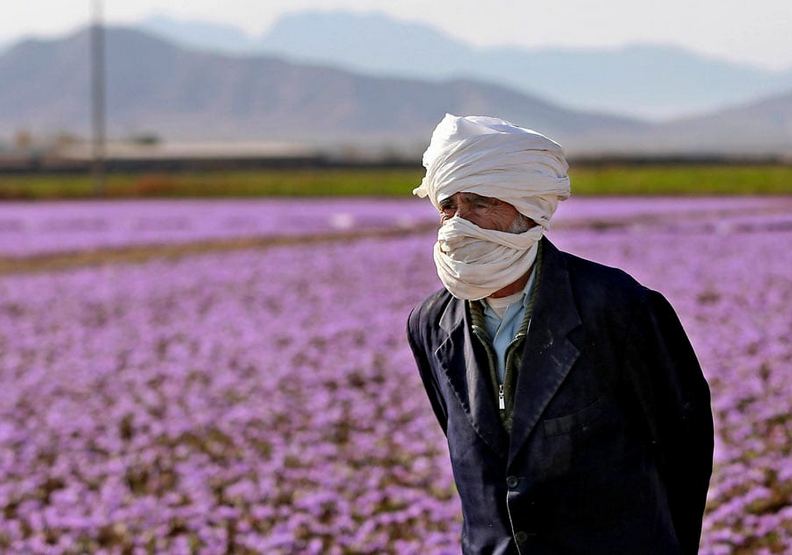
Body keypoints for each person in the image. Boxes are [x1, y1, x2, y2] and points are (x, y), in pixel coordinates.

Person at [406, 114, 714, 554]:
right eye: (448, 206)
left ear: (528, 209)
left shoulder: (617, 307)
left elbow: (683, 446)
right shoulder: (431, 324)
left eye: (479, 203)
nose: (458, 223)